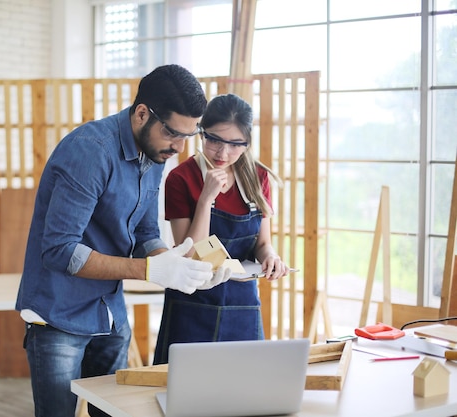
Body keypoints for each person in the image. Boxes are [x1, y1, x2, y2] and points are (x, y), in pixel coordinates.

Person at [15, 64, 232, 417]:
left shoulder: (155, 152)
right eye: (173, 134)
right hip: (58, 316)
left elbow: (146, 233)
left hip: (109, 313)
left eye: (187, 137)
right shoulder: (89, 152)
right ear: (142, 113)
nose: (178, 148)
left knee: (114, 412)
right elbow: (60, 251)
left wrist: (176, 264)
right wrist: (151, 270)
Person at [153, 93, 291, 364]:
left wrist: (271, 258)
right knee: (183, 393)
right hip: (192, 305)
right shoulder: (180, 178)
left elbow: (262, 244)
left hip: (243, 304)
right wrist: (205, 199)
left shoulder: (258, 177)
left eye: (235, 144)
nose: (223, 153)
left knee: (245, 393)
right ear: (202, 134)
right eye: (214, 140)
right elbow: (189, 255)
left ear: (247, 143)